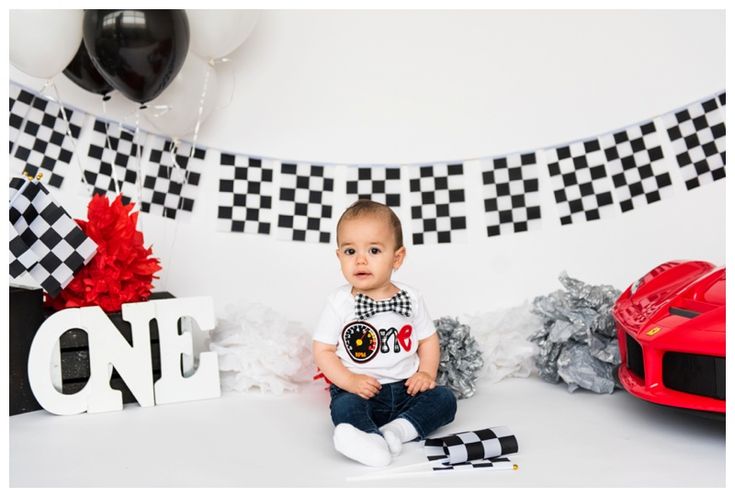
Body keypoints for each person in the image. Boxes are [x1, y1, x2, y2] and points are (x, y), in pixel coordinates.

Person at [313, 199, 457, 467]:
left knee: (445, 400)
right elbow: (323, 350)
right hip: (360, 391)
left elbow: (427, 339)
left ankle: (396, 432)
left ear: (397, 257)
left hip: (406, 389)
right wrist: (349, 380)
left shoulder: (411, 298)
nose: (360, 259)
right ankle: (371, 440)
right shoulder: (340, 302)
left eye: (374, 250)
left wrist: (425, 373)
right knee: (344, 407)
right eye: (350, 251)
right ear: (339, 256)